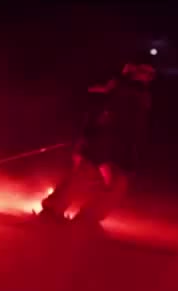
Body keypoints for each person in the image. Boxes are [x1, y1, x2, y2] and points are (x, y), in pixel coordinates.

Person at [40, 56, 156, 226]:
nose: (148, 76)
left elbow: (133, 128)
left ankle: (84, 219)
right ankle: (55, 212)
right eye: (144, 71)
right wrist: (95, 147)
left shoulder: (139, 94)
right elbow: (104, 120)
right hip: (102, 145)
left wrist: (129, 154)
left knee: (113, 184)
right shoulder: (122, 91)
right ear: (133, 71)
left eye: (150, 73)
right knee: (90, 178)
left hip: (119, 149)